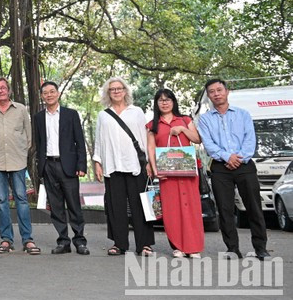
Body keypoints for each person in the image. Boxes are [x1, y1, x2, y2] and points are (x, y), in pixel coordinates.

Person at [198, 78, 269, 260]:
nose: (216, 94)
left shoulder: (243, 114)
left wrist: (239, 158)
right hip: (220, 168)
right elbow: (209, 144)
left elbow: (250, 140)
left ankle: (261, 248)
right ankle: (232, 248)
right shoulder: (205, 119)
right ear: (209, 96)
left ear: (227, 91)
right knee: (225, 209)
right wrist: (226, 157)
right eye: (212, 91)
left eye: (219, 90)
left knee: (254, 207)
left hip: (244, 166)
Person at [93, 77, 154, 256]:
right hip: (113, 166)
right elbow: (99, 141)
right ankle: (119, 243)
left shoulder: (136, 112)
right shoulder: (103, 115)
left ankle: (144, 244)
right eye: (112, 89)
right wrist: (98, 162)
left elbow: (144, 138)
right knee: (115, 207)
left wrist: (150, 162)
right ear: (108, 93)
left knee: (140, 206)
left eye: (119, 88)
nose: (116, 91)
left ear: (125, 91)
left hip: (135, 165)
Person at [0, 77, 38, 255]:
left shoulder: (20, 109)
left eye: (3, 87)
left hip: (18, 161)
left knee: (22, 199)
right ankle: (6, 239)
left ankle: (27, 239)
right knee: (2, 201)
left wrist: (21, 151)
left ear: (9, 90)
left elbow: (28, 135)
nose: (0, 90)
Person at [32, 80, 89, 255]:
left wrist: (81, 165)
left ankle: (80, 241)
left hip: (69, 166)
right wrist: (40, 166)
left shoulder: (70, 114)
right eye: (45, 93)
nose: (49, 95)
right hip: (48, 165)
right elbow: (39, 143)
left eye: (52, 91)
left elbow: (79, 141)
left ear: (58, 94)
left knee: (74, 206)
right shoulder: (38, 118)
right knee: (56, 207)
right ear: (42, 96)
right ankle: (63, 241)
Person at [146, 88, 204, 259]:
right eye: (161, 100)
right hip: (167, 172)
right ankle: (177, 246)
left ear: (173, 102)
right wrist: (155, 169)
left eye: (168, 99)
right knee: (172, 210)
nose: (165, 102)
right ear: (156, 104)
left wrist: (182, 129)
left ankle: (193, 247)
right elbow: (151, 147)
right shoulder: (152, 125)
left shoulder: (185, 120)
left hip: (187, 171)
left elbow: (197, 139)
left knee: (191, 207)